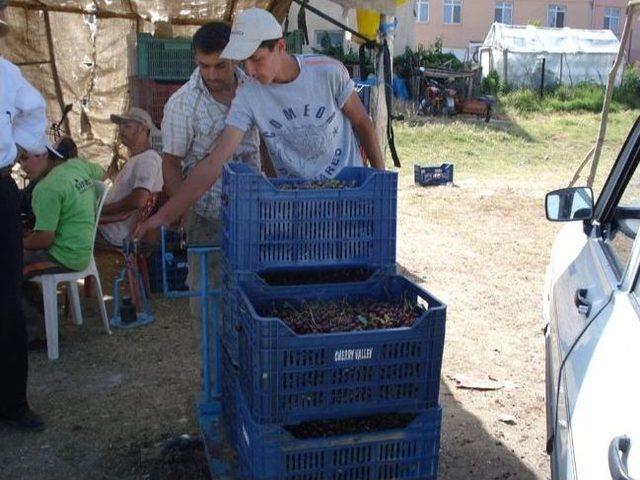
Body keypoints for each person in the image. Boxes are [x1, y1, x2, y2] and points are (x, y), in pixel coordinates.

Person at [136, 8, 384, 239]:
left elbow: (362, 122)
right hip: (298, 206)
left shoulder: (328, 72)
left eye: (257, 59)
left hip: (349, 197)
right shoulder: (248, 94)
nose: (250, 70)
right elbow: (215, 161)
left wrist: (381, 182)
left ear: (280, 46)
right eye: (245, 62)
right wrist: (162, 217)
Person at [161, 21, 261, 313]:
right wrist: (182, 213)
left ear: (235, 58)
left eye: (220, 66)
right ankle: (213, 356)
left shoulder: (254, 88)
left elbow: (265, 143)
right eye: (204, 66)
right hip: (206, 215)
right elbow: (170, 164)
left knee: (252, 294)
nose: (212, 75)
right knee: (210, 300)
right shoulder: (182, 104)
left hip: (253, 210)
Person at [0, 0, 46, 432]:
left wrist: (15, 148)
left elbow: (34, 113)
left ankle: (13, 403)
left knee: (7, 301)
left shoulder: (7, 73)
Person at [20, 131, 105, 279]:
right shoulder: (77, 165)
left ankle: (29, 302)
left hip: (63, 258)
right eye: (20, 161)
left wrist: (18, 242)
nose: (22, 166)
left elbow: (44, 239)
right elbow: (101, 173)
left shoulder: (46, 188)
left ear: (44, 154)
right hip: (81, 252)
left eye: (25, 159)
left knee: (7, 260)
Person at [97, 107, 163, 248]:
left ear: (142, 129)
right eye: (121, 126)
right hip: (108, 225)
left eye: (127, 126)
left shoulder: (147, 160)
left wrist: (101, 211)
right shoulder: (138, 158)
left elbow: (138, 201)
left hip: (111, 231)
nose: (121, 131)